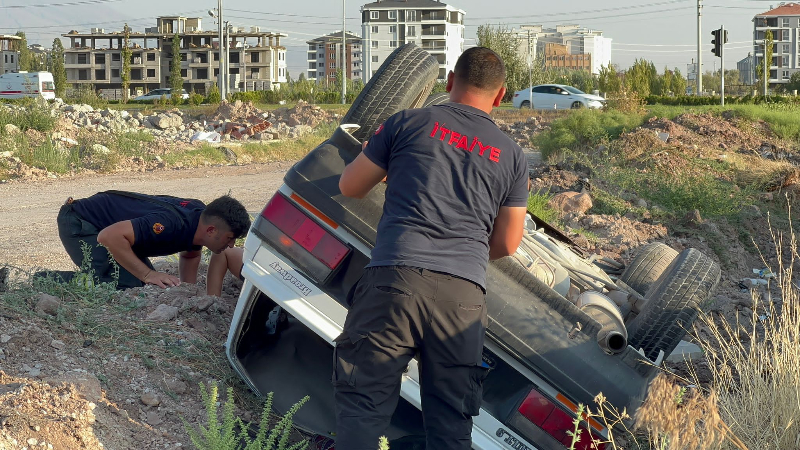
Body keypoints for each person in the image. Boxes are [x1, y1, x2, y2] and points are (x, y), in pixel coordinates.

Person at [334, 47, 530, 450]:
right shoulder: (511, 155)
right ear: (500, 95)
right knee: (450, 428)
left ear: (449, 82)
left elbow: (350, 186)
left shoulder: (407, 123)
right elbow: (509, 242)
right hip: (463, 300)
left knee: (363, 409)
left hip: (394, 281)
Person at [54, 191, 250, 290]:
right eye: (230, 238)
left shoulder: (199, 218)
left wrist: (186, 290)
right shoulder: (170, 224)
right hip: (82, 222)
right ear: (211, 230)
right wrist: (148, 274)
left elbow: (190, 255)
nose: (232, 245)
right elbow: (109, 236)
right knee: (126, 284)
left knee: (148, 283)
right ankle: (48, 280)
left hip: (117, 232)